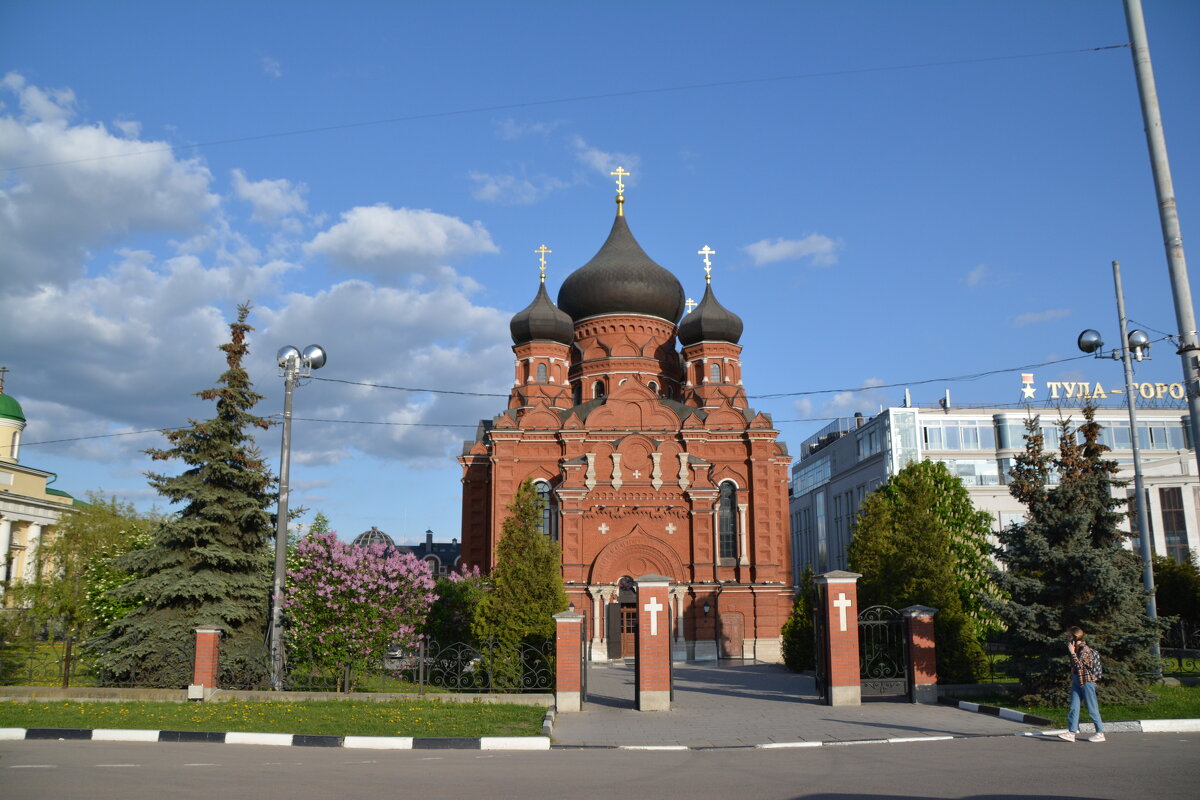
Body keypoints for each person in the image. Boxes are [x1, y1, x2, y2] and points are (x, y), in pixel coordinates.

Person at [1057, 626, 1105, 742]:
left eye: (1069, 636)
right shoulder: (1077, 649)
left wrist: (1072, 653)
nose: (1068, 639)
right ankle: (1072, 732)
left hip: (1087, 682)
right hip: (1077, 681)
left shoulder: (1084, 649)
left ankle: (1100, 733)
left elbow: (1081, 667)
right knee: (1074, 707)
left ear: (1075, 637)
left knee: (1092, 708)